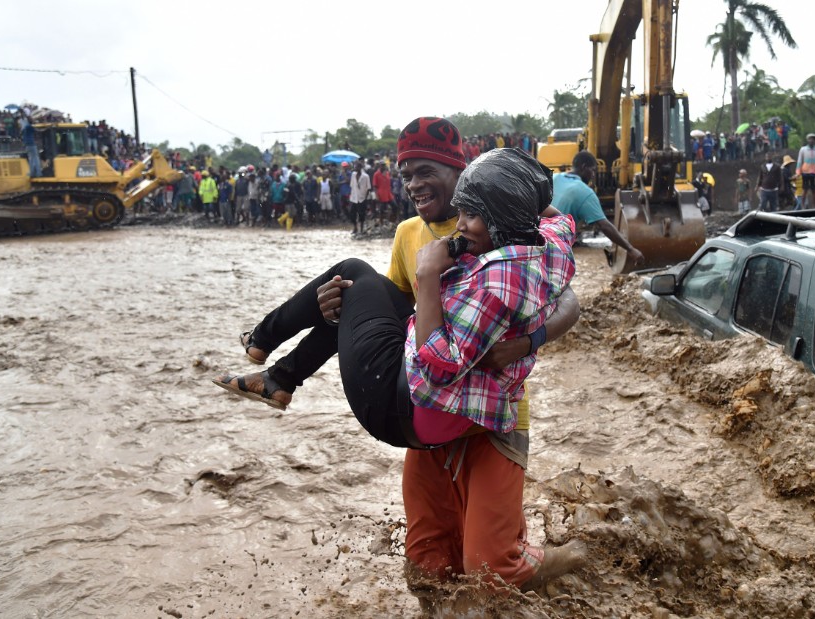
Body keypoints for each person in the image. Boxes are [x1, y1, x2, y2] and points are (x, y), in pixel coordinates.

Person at [217, 141, 585, 596]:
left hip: (484, 413)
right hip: (437, 409)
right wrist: (334, 308)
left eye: (425, 172)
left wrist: (529, 339)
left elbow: (564, 299)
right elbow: (388, 318)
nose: (413, 185)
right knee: (429, 566)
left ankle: (574, 558)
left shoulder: (503, 265)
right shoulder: (411, 233)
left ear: (460, 172)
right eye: (406, 174)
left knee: (490, 568)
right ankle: (279, 376)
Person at [551, 151, 644, 265]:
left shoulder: (553, 178)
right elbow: (604, 226)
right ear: (584, 167)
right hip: (555, 251)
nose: (593, 175)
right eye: (593, 170)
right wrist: (630, 249)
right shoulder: (585, 192)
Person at [795, 133, 815, 209]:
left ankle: (814, 206)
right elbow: (799, 161)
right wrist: (798, 172)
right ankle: (803, 205)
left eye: (813, 139)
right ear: (807, 140)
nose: (811, 140)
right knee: (805, 189)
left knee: (814, 190)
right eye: (810, 139)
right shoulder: (803, 149)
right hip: (805, 172)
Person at [348, 161, 371, 234]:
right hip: (354, 198)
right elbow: (352, 186)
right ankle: (355, 227)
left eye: (357, 166)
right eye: (355, 166)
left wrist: (365, 198)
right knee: (352, 213)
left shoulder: (366, 176)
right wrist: (351, 196)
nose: (355, 168)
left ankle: (361, 229)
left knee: (362, 214)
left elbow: (368, 188)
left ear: (360, 167)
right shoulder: (353, 175)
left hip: (362, 198)